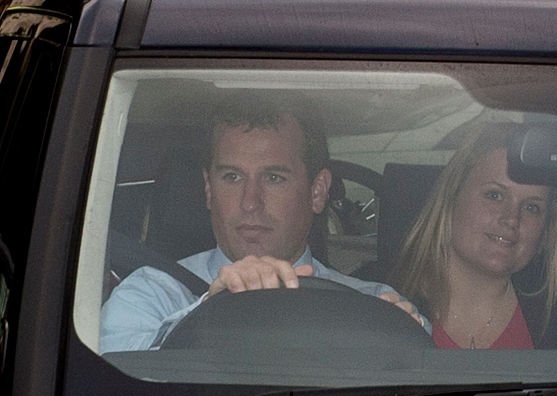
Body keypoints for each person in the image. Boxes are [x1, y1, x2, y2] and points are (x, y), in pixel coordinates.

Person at [100, 91, 424, 353]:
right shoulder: (149, 294)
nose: (250, 201)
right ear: (209, 189)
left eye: (273, 177)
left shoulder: (374, 308)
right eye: (232, 176)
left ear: (317, 191)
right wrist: (209, 312)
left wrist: (397, 341)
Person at [390, 122, 557, 349]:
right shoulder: (373, 297)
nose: (511, 218)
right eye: (494, 195)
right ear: (451, 198)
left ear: (546, 231)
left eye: (532, 207)